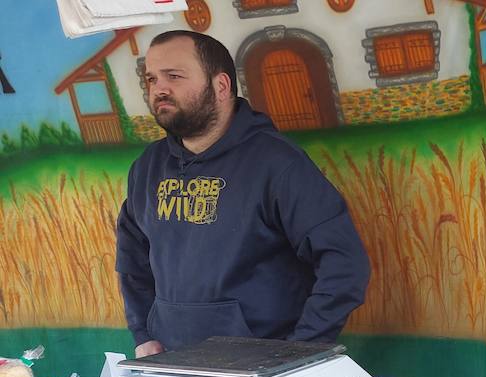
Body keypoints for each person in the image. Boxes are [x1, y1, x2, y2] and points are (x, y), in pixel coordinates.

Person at [116, 30, 370, 357]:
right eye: (151, 79)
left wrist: (301, 350)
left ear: (221, 86)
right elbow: (132, 258)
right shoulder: (147, 167)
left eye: (174, 76)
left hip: (263, 368)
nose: (159, 89)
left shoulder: (277, 164)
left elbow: (345, 263)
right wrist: (142, 334)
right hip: (174, 363)